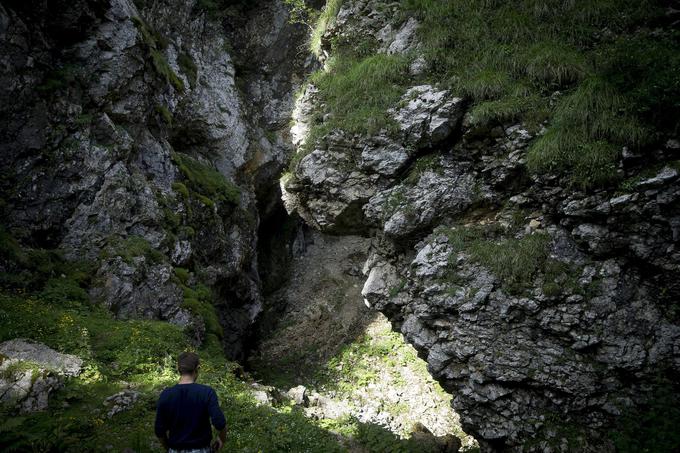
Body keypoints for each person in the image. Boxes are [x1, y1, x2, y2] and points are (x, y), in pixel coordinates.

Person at [155, 352, 227, 453]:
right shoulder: (207, 392)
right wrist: (221, 439)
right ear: (197, 368)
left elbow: (159, 431)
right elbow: (219, 422)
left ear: (178, 369)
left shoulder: (166, 395)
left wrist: (169, 449)